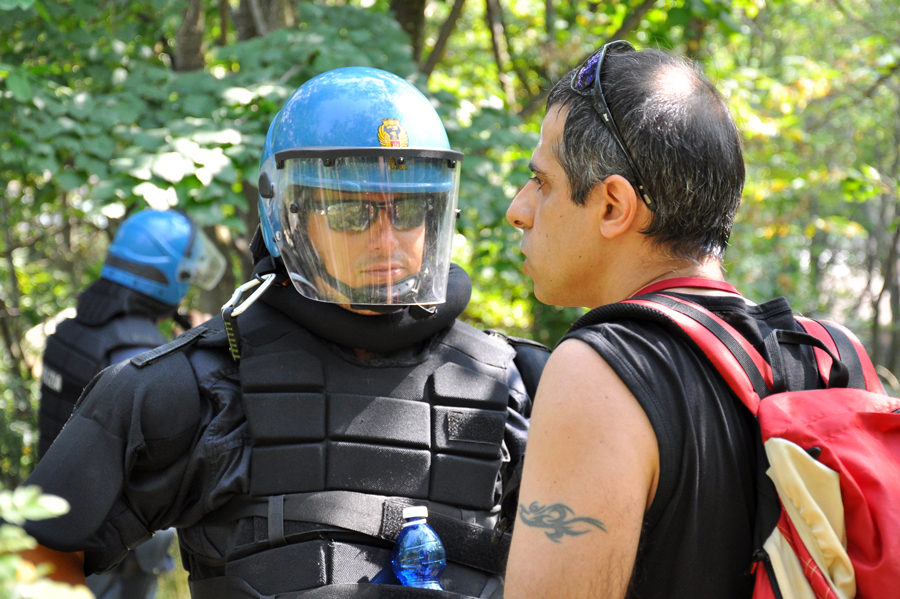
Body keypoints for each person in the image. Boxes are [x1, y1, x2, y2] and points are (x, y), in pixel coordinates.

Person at [23, 66, 548, 599]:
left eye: (410, 209)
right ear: (288, 219)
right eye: (351, 213)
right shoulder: (188, 389)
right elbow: (29, 553)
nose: (387, 240)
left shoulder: (515, 386)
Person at [502, 42, 820, 598]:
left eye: (542, 182)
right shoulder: (827, 355)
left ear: (613, 206)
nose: (518, 210)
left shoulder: (598, 373)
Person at [35, 208, 227, 599]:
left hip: (54, 526)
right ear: (168, 276)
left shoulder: (70, 332)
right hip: (109, 552)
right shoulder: (137, 357)